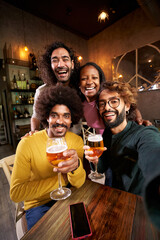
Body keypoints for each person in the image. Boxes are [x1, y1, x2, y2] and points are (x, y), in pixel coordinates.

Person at [84, 81, 160, 230]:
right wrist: (95, 161)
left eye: (114, 101)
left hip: (140, 207)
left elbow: (152, 153)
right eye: (102, 103)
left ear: (127, 105)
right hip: (114, 201)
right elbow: (102, 167)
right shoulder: (105, 135)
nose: (107, 107)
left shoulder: (143, 133)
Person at [10, 85, 86, 230]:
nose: (60, 121)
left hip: (69, 196)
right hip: (38, 205)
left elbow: (79, 183)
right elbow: (16, 193)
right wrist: (63, 179)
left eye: (66, 116)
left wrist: (76, 167)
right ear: (46, 116)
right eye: (54, 115)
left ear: (72, 119)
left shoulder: (76, 141)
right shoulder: (27, 143)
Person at [78, 62, 152, 135]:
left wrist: (139, 119)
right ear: (79, 84)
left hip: (120, 137)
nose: (89, 82)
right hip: (103, 140)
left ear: (100, 81)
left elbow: (130, 106)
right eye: (84, 78)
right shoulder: (82, 104)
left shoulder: (105, 99)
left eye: (94, 77)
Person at [31, 41, 80, 132]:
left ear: (72, 64)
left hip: (77, 142)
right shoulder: (42, 91)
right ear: (50, 66)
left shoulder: (81, 89)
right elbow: (36, 117)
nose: (60, 65)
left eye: (65, 59)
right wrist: (34, 133)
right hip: (54, 143)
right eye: (55, 60)